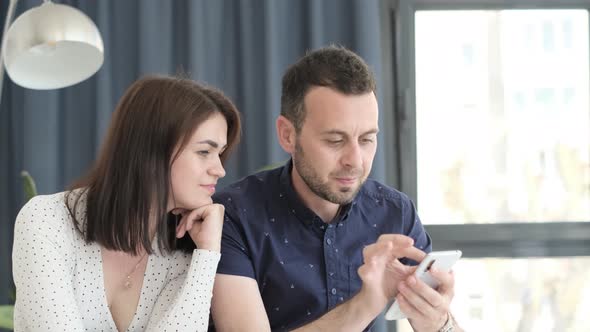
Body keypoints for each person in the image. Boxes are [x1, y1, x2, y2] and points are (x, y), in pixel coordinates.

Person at [210, 46, 462, 331]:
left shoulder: (396, 212)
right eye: (334, 141)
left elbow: (439, 324)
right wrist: (365, 304)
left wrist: (439, 320)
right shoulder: (232, 216)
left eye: (367, 139)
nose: (355, 161)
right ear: (288, 135)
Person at [12, 75, 241, 331]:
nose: (220, 170)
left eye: (220, 154)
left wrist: (207, 255)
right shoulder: (47, 220)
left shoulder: (184, 250)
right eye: (204, 152)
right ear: (150, 149)